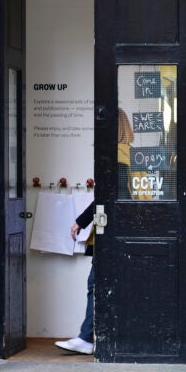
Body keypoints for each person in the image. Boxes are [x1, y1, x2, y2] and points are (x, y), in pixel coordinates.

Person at [55, 109, 134, 355]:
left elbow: (109, 196)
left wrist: (81, 221)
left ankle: (87, 337)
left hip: (113, 232)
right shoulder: (129, 154)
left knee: (96, 284)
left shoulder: (116, 157)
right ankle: (92, 336)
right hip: (124, 230)